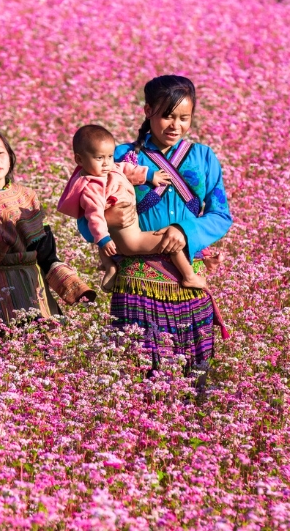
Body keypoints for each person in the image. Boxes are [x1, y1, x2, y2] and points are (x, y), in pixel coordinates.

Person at [96, 75, 232, 376]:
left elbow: (221, 215)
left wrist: (185, 231)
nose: (175, 126)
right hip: (137, 282)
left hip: (189, 279)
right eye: (167, 116)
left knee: (193, 373)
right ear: (148, 112)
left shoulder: (203, 157)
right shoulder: (119, 157)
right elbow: (86, 205)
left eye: (185, 118)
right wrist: (108, 225)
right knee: (138, 372)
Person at [0, 128, 95, 324]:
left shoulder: (27, 197)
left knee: (36, 341)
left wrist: (70, 283)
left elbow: (45, 249)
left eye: (1, 152)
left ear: (11, 158)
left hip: (31, 285)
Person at [57, 124, 207, 292]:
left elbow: (127, 168)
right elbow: (95, 216)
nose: (107, 163)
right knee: (170, 240)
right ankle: (188, 277)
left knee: (167, 237)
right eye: (99, 158)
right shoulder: (91, 187)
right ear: (79, 160)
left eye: (110, 156)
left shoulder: (110, 169)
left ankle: (110, 267)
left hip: (122, 236)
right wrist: (104, 239)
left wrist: (150, 175)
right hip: (130, 239)